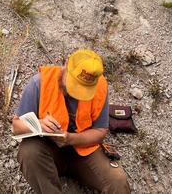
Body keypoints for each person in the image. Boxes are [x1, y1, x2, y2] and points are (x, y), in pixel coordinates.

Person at [13, 49, 130, 194]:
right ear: (66, 64)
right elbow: (16, 126)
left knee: (118, 181)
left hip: (83, 151)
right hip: (48, 151)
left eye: (83, 90)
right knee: (29, 152)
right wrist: (39, 124)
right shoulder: (40, 82)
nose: (76, 93)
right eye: (74, 84)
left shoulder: (100, 88)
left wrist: (71, 139)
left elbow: (100, 132)